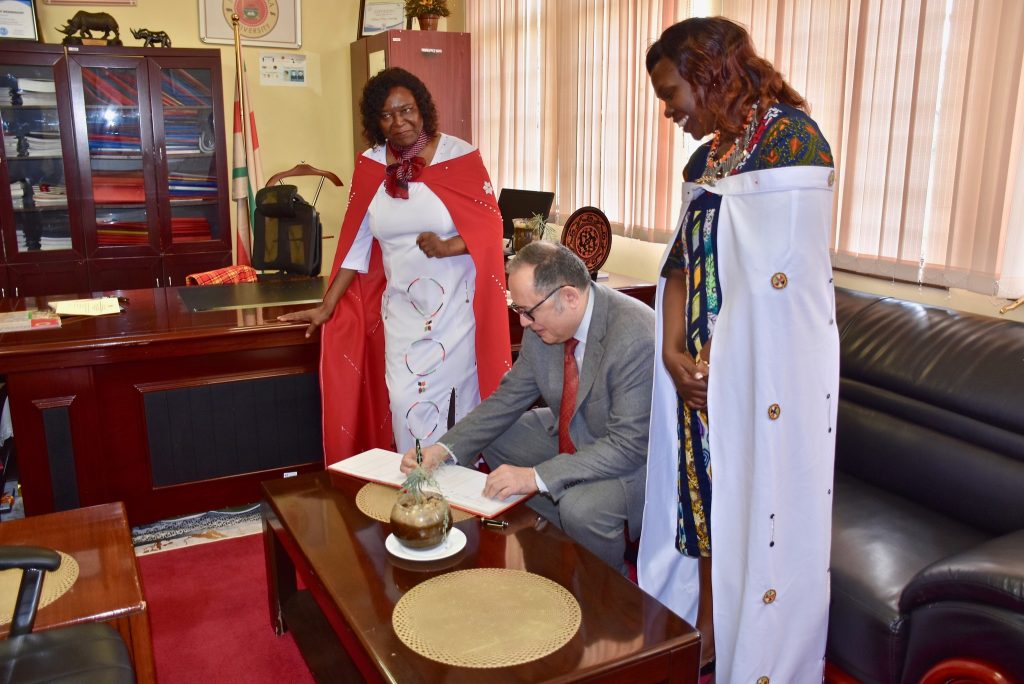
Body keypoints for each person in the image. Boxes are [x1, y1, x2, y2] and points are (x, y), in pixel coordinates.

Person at [638, 17, 840, 683]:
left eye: (672, 94)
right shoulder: (707, 161)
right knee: (705, 503)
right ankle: (709, 633)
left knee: (756, 505)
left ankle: (753, 650)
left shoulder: (792, 142)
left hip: (762, 379)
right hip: (699, 377)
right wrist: (673, 351)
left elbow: (787, 284)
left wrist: (726, 366)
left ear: (709, 74)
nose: (669, 111)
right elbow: (680, 264)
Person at [280, 67, 511, 462]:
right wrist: (327, 304)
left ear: (423, 109)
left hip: (455, 314)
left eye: (407, 110)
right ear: (376, 121)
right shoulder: (371, 165)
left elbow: (491, 230)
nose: (399, 122)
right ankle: (417, 488)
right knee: (405, 402)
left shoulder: (458, 156)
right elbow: (355, 244)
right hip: (401, 314)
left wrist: (447, 246)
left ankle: (460, 488)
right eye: (387, 115)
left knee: (457, 404)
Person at [405, 241, 654, 575]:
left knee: (581, 509)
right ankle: (559, 540)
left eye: (528, 312)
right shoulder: (544, 323)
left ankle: (607, 587)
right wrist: (444, 449)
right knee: (494, 437)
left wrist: (536, 478)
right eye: (517, 310)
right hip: (576, 430)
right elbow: (507, 398)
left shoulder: (634, 335)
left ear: (569, 297)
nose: (522, 323)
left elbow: (629, 446)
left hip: (636, 457)